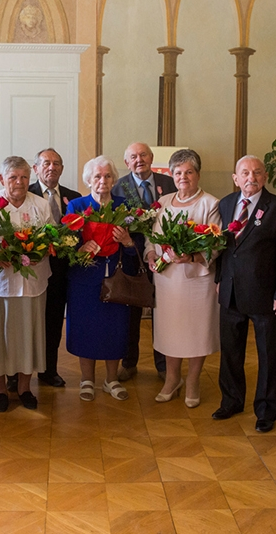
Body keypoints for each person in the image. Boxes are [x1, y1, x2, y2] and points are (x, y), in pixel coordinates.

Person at [213, 156, 276, 432]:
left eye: (257, 173)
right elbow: (223, 248)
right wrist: (218, 280)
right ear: (235, 178)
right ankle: (232, 400)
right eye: (245, 173)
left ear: (265, 177)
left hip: (265, 295)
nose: (251, 178)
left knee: (268, 355)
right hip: (230, 291)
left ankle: (267, 410)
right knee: (230, 352)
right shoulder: (225, 205)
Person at [144, 149, 220, 408]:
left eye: (189, 171)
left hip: (197, 279)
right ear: (171, 176)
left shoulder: (210, 203)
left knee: (197, 331)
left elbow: (217, 244)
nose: (183, 177)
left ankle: (193, 381)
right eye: (177, 172)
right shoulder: (163, 202)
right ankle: (172, 378)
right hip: (167, 280)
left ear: (198, 174)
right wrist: (151, 254)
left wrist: (194, 257)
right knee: (170, 331)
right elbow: (150, 237)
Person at [0, 156, 53, 412]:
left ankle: (24, 387)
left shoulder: (41, 204)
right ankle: (0, 389)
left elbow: (51, 238)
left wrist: (41, 251)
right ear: (2, 179)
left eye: (23, 177)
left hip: (32, 283)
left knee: (29, 334)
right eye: (13, 177)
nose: (19, 182)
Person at [65, 156, 140, 402]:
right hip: (84, 278)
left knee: (115, 329)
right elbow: (66, 242)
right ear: (89, 180)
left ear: (114, 179)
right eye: (97, 176)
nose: (102, 181)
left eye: (107, 176)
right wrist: (80, 245)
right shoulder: (76, 205)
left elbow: (136, 245)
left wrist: (127, 242)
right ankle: (87, 379)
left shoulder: (124, 205)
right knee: (86, 328)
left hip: (116, 277)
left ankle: (111, 379)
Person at [111, 142, 176, 382]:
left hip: (165, 258)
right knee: (131, 314)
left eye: (143, 155)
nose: (139, 160)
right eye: (133, 157)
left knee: (163, 314)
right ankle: (129, 363)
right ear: (127, 162)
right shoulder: (118, 188)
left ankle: (163, 365)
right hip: (132, 258)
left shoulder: (169, 183)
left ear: (151, 157)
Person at [27, 148, 81, 387]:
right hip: (30, 271)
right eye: (46, 163)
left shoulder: (74, 197)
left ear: (62, 168)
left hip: (61, 272)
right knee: (27, 323)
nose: (52, 167)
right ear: (35, 168)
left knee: (53, 321)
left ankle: (48, 370)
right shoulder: (24, 193)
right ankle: (18, 374)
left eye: (57, 163)